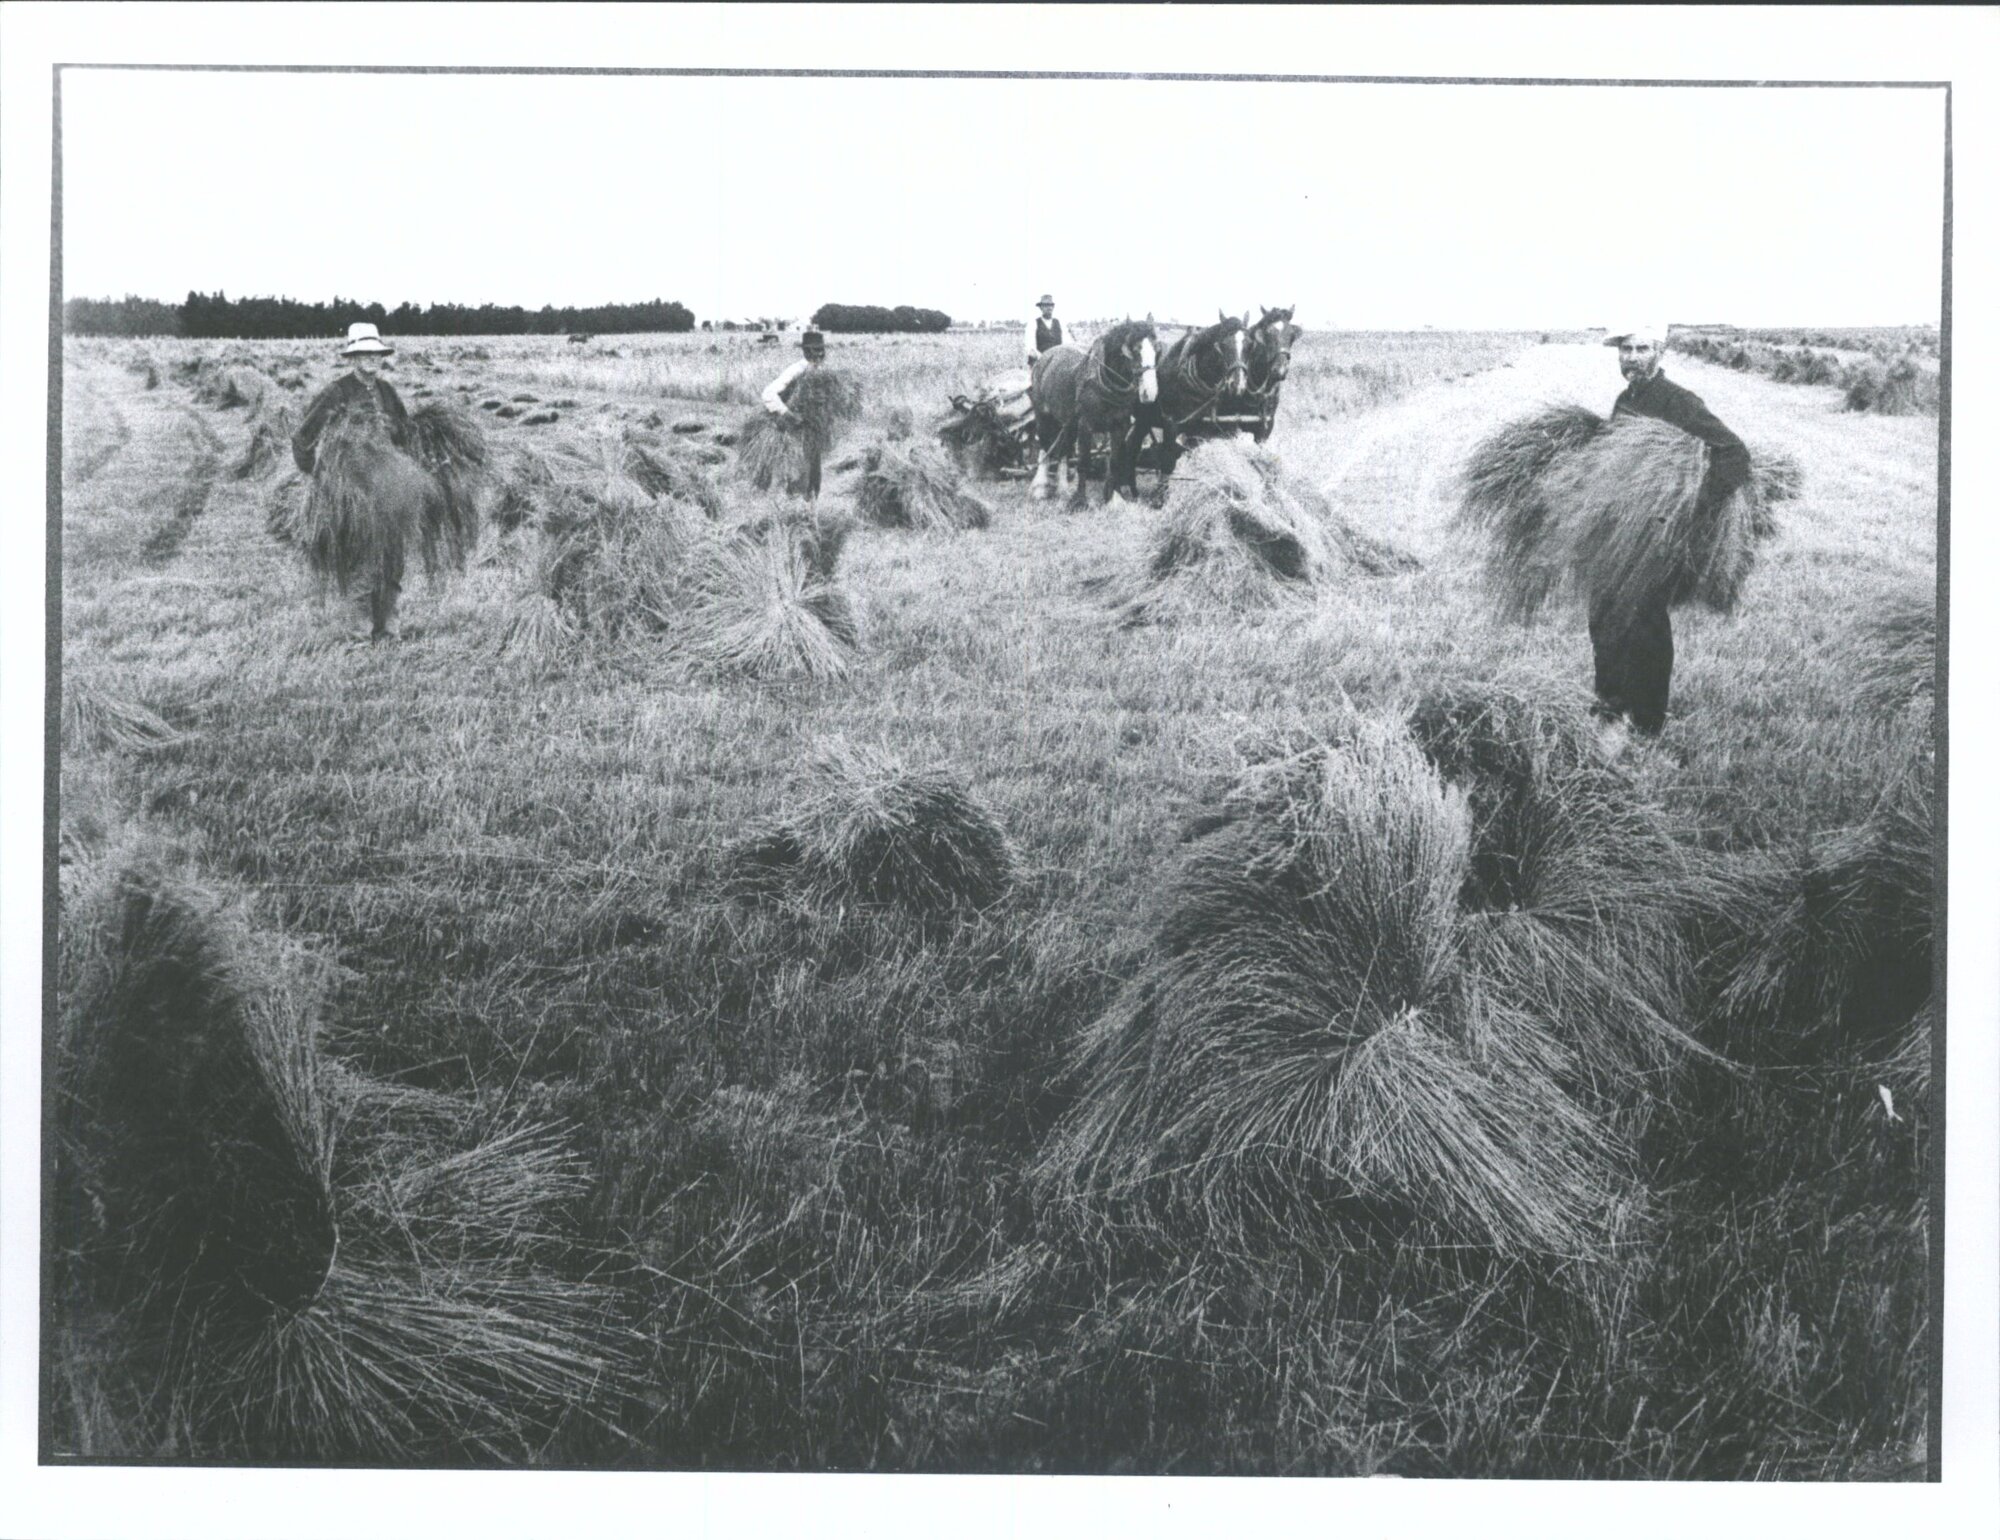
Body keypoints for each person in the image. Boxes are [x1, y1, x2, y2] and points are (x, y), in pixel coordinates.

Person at [1592, 321, 1751, 745]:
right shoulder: (1625, 402)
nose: (1631, 358)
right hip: (1619, 532)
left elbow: (1734, 455)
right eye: (1625, 349)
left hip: (1657, 538)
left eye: (1641, 349)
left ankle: (1647, 723)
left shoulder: (1678, 401)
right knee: (1604, 618)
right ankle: (1610, 706)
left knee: (1645, 626)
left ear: (1659, 351)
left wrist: (1686, 511)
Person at [292, 322, 412, 473]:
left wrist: (393, 429)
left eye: (376, 352)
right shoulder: (336, 391)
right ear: (353, 357)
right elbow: (302, 439)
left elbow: (406, 431)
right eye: (365, 352)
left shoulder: (387, 389)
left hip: (390, 472)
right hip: (351, 479)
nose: (372, 357)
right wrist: (317, 476)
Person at [761, 329, 828, 498]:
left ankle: (811, 515)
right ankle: (794, 517)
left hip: (814, 433)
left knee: (814, 481)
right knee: (799, 478)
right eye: (814, 349)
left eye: (821, 349)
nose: (819, 353)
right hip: (796, 432)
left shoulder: (821, 371)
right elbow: (768, 393)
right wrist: (789, 414)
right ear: (805, 350)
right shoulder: (796, 370)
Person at [1024, 293, 1075, 369]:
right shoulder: (1033, 324)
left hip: (1057, 363)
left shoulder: (1060, 323)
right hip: (1040, 363)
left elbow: (1067, 343)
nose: (1049, 308)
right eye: (1046, 305)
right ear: (1041, 308)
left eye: (1051, 305)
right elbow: (1030, 348)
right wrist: (1043, 358)